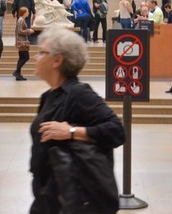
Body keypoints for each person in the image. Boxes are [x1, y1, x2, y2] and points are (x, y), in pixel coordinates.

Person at [30, 26, 125, 213]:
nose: (35, 57)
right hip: (47, 195)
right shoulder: (48, 96)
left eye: (41, 52)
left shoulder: (79, 93)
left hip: (71, 199)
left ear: (57, 60)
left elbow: (117, 131)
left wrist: (71, 132)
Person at [13, 6, 33, 81]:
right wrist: (28, 31)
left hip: (21, 41)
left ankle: (18, 74)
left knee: (22, 57)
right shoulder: (21, 20)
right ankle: (17, 72)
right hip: (22, 42)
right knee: (25, 57)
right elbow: (20, 31)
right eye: (27, 12)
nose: (28, 13)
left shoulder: (21, 20)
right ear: (24, 13)